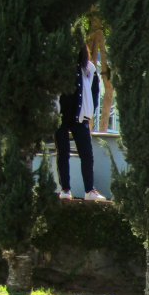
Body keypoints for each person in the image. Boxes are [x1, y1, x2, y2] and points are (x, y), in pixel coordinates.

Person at [56, 42, 105, 201]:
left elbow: (95, 93)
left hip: (81, 117)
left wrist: (90, 110)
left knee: (87, 154)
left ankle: (89, 190)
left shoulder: (89, 69)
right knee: (63, 153)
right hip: (60, 116)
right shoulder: (57, 66)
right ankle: (65, 189)